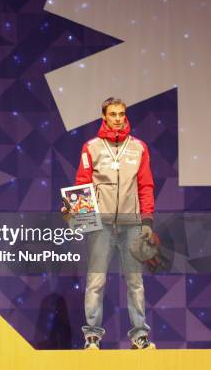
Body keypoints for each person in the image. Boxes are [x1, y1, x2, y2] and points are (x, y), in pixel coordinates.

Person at [65, 97, 156, 349]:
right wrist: (80, 218)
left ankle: (140, 335)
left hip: (131, 224)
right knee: (96, 281)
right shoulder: (91, 147)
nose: (118, 118)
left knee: (135, 282)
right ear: (103, 117)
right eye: (113, 114)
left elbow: (145, 185)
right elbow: (81, 182)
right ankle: (92, 335)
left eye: (121, 114)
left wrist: (146, 219)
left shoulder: (139, 147)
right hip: (101, 224)